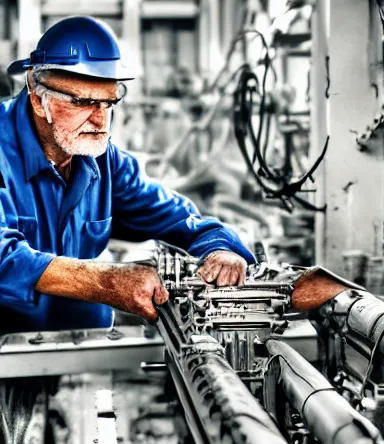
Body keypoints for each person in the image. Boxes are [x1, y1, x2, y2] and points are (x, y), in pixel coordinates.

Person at [0, 16, 255, 336]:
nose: (100, 119)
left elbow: (176, 217)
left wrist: (218, 247)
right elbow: (3, 258)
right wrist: (106, 281)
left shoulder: (102, 160)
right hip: (8, 356)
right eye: (83, 102)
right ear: (38, 99)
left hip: (84, 354)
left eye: (108, 102)